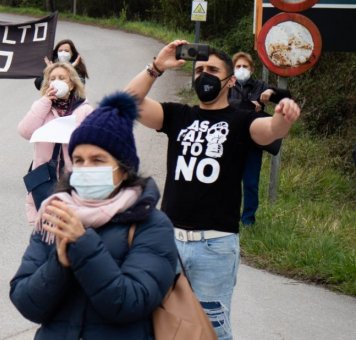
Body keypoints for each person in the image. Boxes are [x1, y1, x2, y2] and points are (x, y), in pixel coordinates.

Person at [124, 40, 301, 340]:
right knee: (159, 324)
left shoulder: (242, 120)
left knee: (212, 330)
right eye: (199, 70)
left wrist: (284, 116)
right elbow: (127, 103)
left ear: (230, 80)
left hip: (215, 247)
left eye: (212, 70)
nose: (204, 75)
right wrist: (156, 66)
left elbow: (271, 130)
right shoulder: (178, 115)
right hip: (169, 242)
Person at [10, 92, 178, 339]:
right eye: (78, 160)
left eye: (98, 160)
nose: (86, 168)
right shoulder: (55, 213)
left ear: (123, 168)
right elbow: (26, 302)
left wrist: (82, 245)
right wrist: (60, 262)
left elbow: (130, 303)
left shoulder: (151, 224)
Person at [18, 62, 94, 225]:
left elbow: (95, 142)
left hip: (73, 181)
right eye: (52, 78)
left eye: (61, 78)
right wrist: (45, 101)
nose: (56, 81)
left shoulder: (84, 110)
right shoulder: (42, 107)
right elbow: (25, 131)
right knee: (47, 233)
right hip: (45, 179)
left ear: (71, 83)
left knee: (74, 231)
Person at [229, 51, 291, 226]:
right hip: (230, 140)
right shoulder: (227, 84)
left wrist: (272, 91)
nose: (241, 70)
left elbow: (286, 96)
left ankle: (248, 220)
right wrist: (248, 105)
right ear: (232, 69)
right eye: (238, 66)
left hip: (252, 142)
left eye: (245, 66)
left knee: (250, 182)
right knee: (228, 182)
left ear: (252, 68)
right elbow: (221, 103)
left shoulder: (259, 85)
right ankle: (228, 216)